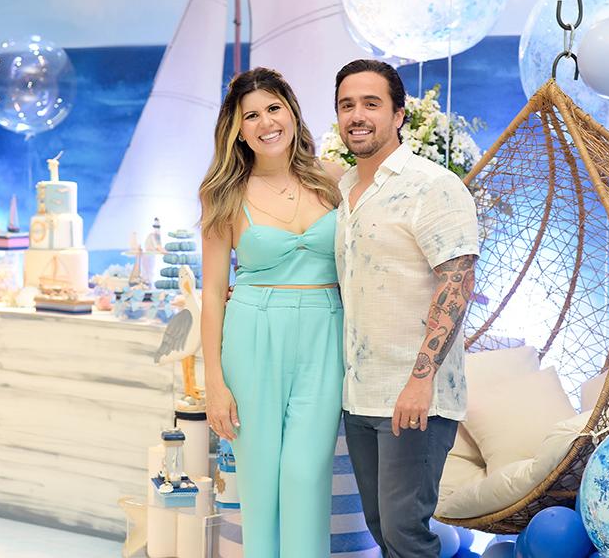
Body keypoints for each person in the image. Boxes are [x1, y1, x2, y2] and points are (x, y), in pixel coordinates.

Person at [333, 59, 480, 557]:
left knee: (405, 534)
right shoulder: (345, 191)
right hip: (360, 394)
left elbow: (457, 281)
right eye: (347, 105)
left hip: (415, 395)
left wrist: (420, 380)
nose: (357, 115)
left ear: (398, 115)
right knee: (382, 529)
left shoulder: (432, 185)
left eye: (371, 104)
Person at [199, 67, 344, 558]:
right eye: (251, 115)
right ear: (237, 130)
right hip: (253, 333)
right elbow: (212, 291)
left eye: (274, 108)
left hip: (325, 332)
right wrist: (214, 383)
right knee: (260, 484)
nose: (266, 123)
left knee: (306, 473)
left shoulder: (334, 179)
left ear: (293, 112)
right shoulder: (223, 193)